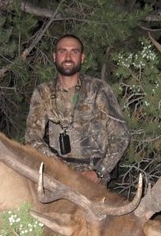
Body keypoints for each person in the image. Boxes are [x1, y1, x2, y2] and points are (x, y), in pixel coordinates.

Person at [25, 34, 129, 185]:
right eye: (62, 51)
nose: (68, 57)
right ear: (54, 56)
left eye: (74, 52)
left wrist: (100, 171)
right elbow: (32, 137)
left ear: (82, 58)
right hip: (58, 175)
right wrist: (58, 169)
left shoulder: (99, 90)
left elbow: (121, 135)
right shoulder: (43, 92)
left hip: (93, 176)